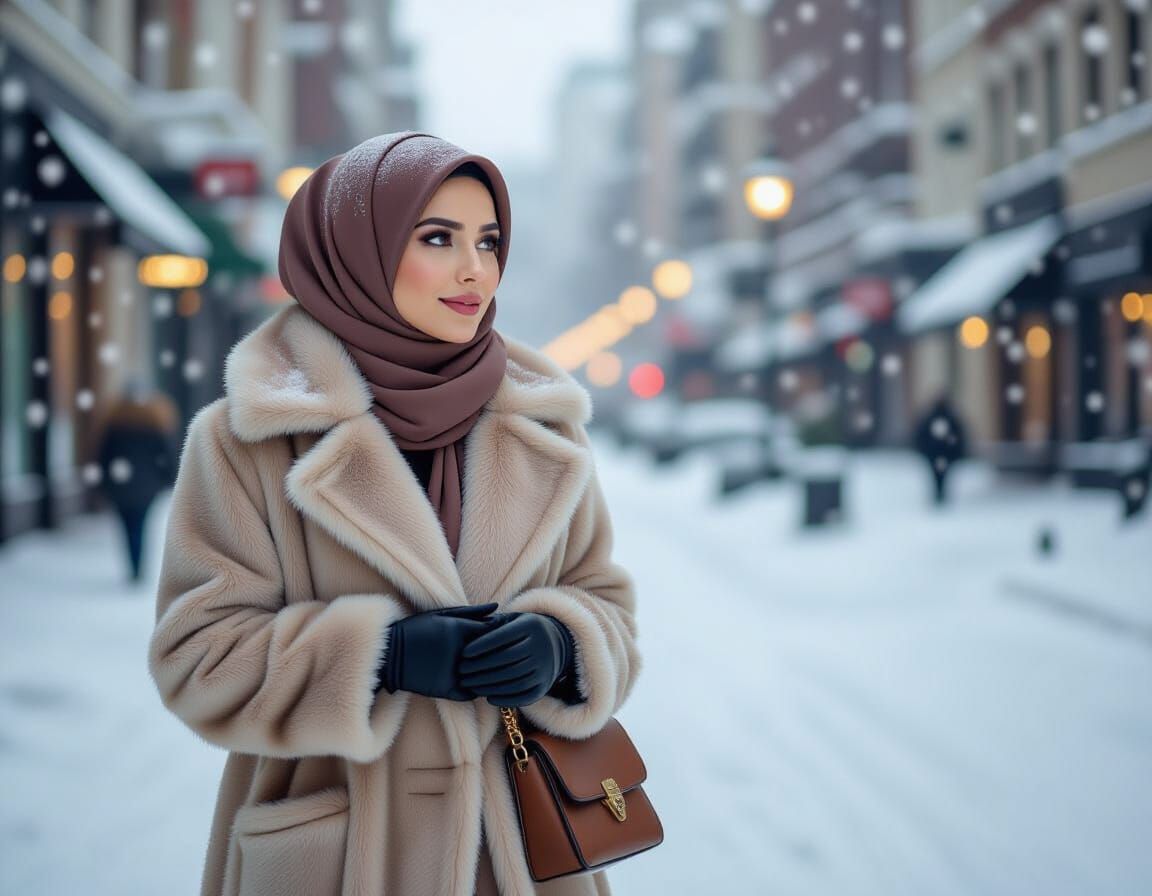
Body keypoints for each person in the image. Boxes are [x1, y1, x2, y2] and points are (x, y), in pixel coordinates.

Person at [147, 132, 640, 896]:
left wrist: (563, 644)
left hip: (514, 857)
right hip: (338, 862)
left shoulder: (545, 426)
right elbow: (197, 658)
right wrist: (382, 656)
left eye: (489, 240)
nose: (474, 269)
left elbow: (606, 606)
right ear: (355, 250)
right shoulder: (248, 437)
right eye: (438, 238)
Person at [94, 380, 178, 582]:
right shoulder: (155, 423)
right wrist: (168, 480)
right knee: (140, 525)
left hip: (120, 486)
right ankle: (138, 568)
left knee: (126, 526)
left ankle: (133, 566)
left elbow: (103, 457)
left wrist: (103, 484)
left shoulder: (114, 423)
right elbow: (166, 457)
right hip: (147, 487)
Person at [912, 394, 968, 505]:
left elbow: (920, 436)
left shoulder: (931, 418)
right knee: (942, 476)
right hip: (943, 454)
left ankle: (939, 494)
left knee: (937, 476)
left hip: (935, 454)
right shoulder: (949, 418)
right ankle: (940, 494)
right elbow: (958, 436)